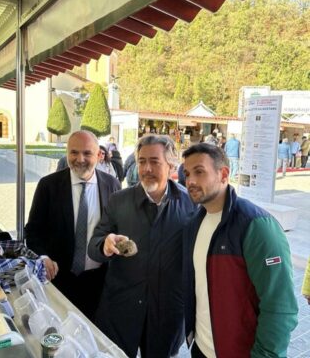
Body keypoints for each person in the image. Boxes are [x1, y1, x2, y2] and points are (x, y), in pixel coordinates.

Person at [182, 143, 298, 358]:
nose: (190, 181)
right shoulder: (193, 224)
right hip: (201, 349)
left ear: (224, 174)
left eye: (199, 172)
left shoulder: (257, 226)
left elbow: (280, 307)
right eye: (187, 173)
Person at [88, 135, 196, 358]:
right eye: (142, 161)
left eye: (155, 161)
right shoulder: (119, 200)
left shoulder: (190, 204)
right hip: (120, 307)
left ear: (171, 165)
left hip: (167, 312)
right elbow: (93, 245)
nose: (147, 168)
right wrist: (105, 245)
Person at [25, 130, 121, 321]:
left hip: (98, 283)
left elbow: (118, 229)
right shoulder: (48, 186)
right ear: (67, 153)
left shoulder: (113, 186)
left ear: (99, 155)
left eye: (87, 153)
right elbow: (33, 231)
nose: (80, 159)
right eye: (74, 153)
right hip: (58, 280)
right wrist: (42, 257)